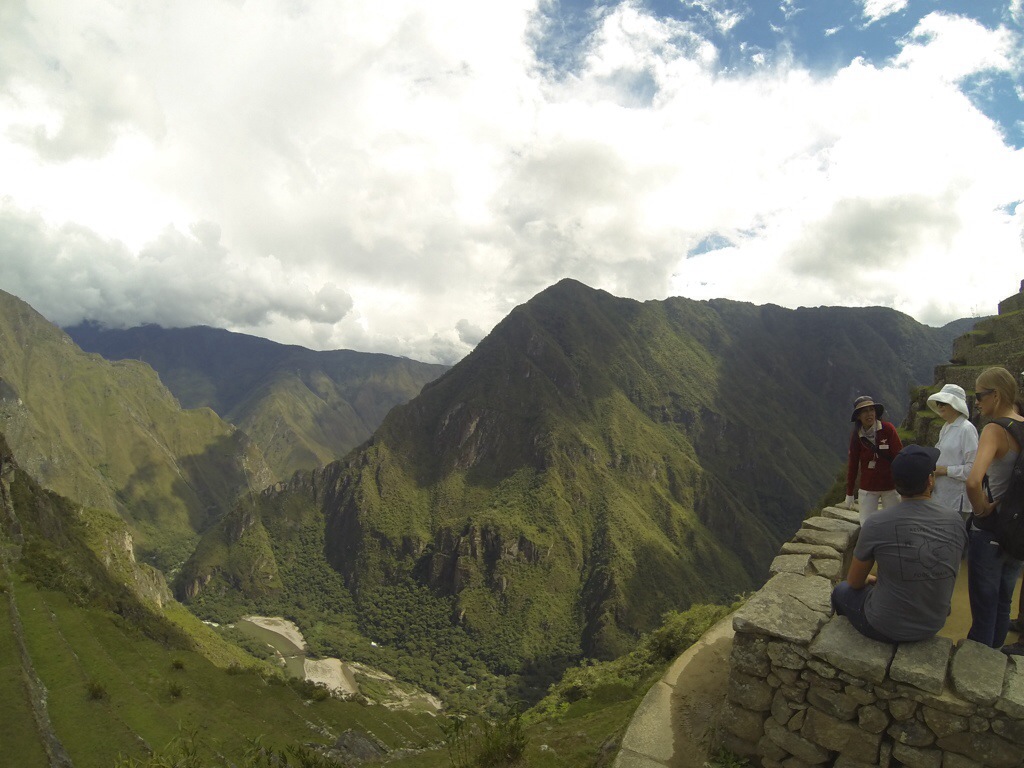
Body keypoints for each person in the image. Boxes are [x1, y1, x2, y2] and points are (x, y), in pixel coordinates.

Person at [831, 445, 968, 643]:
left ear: (896, 485)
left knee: (841, 591)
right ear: (930, 480)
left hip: (884, 626)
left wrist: (868, 579)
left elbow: (854, 582)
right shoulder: (955, 520)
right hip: (933, 623)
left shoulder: (877, 523)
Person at [965, 367, 1024, 649]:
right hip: (1017, 533)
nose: (976, 402)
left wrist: (981, 511)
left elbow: (973, 481)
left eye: (979, 396)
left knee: (984, 605)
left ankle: (977, 662)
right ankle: (995, 656)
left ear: (996, 395)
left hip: (990, 533)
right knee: (1003, 601)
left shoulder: (994, 429)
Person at [843, 396, 903, 524]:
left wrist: (902, 483)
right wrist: (849, 492)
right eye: (864, 411)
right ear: (858, 416)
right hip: (868, 487)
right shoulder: (857, 436)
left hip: (890, 485)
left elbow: (899, 456)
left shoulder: (887, 429)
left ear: (876, 412)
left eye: (871, 410)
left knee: (894, 522)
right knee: (866, 523)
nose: (869, 414)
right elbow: (853, 464)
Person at [927, 384, 979, 518]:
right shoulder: (946, 427)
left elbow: (973, 469)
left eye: (944, 403)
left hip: (956, 500)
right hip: (941, 497)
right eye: (938, 403)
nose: (940, 406)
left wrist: (945, 470)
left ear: (955, 404)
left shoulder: (966, 429)